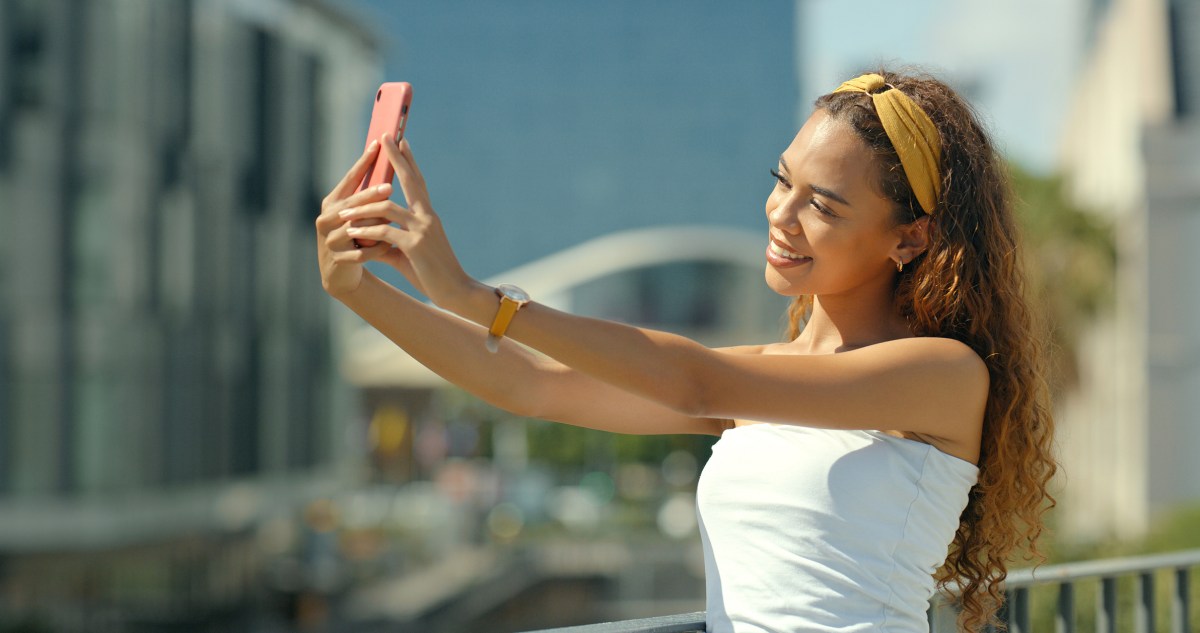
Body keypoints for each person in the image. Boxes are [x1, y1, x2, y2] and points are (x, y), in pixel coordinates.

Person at [314, 68, 1057, 633]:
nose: (782, 216)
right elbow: (535, 386)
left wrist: (481, 298)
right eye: (782, 182)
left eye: (823, 205)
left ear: (911, 236)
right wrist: (363, 292)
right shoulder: (768, 376)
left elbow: (693, 383)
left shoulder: (941, 373)